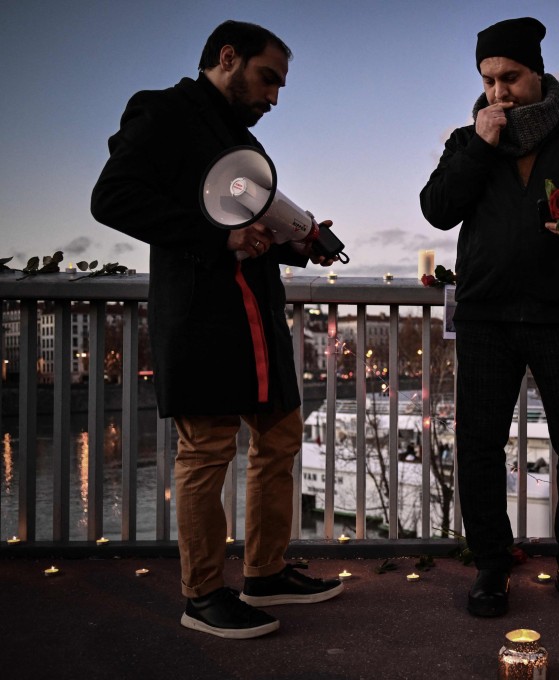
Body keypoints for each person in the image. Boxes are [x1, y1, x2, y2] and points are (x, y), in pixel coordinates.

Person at [91, 20, 343, 639]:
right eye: (268, 79)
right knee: (205, 452)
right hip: (202, 312)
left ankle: (265, 571)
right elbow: (112, 198)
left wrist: (295, 244)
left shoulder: (231, 133)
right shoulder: (165, 113)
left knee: (279, 438)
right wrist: (220, 237)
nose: (275, 97)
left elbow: (243, 223)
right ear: (227, 57)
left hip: (254, 309)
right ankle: (202, 595)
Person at [420, 17, 559, 617]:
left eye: (509, 77)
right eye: (488, 80)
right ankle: (491, 567)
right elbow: (437, 209)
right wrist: (481, 148)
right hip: (485, 314)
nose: (498, 93)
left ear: (537, 72)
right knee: (479, 445)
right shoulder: (467, 141)